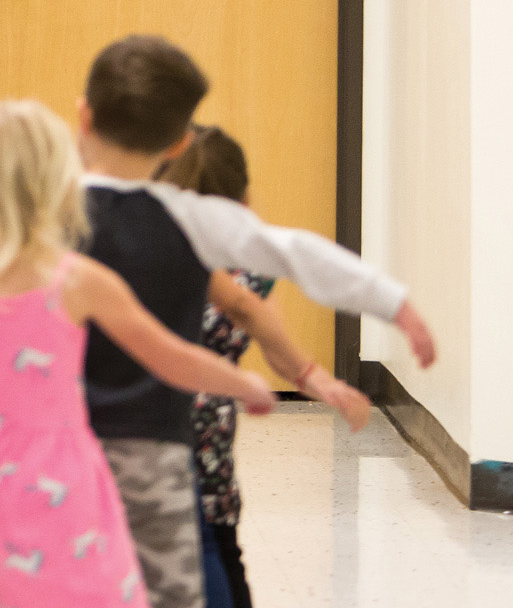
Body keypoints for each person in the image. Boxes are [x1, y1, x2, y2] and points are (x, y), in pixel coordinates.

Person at [0, 35, 438, 608]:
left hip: (52, 457)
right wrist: (391, 301)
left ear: (83, 116)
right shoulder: (192, 218)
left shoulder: (38, 216)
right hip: (147, 449)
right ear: (179, 144)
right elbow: (291, 252)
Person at [0, 100, 276, 608]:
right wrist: (242, 383)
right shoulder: (77, 280)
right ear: (60, 185)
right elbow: (167, 355)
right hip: (65, 491)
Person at [157, 125, 373, 608]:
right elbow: (259, 324)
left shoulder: (149, 251)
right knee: (216, 543)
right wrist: (313, 377)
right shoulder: (248, 267)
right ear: (242, 194)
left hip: (144, 425)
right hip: (206, 430)